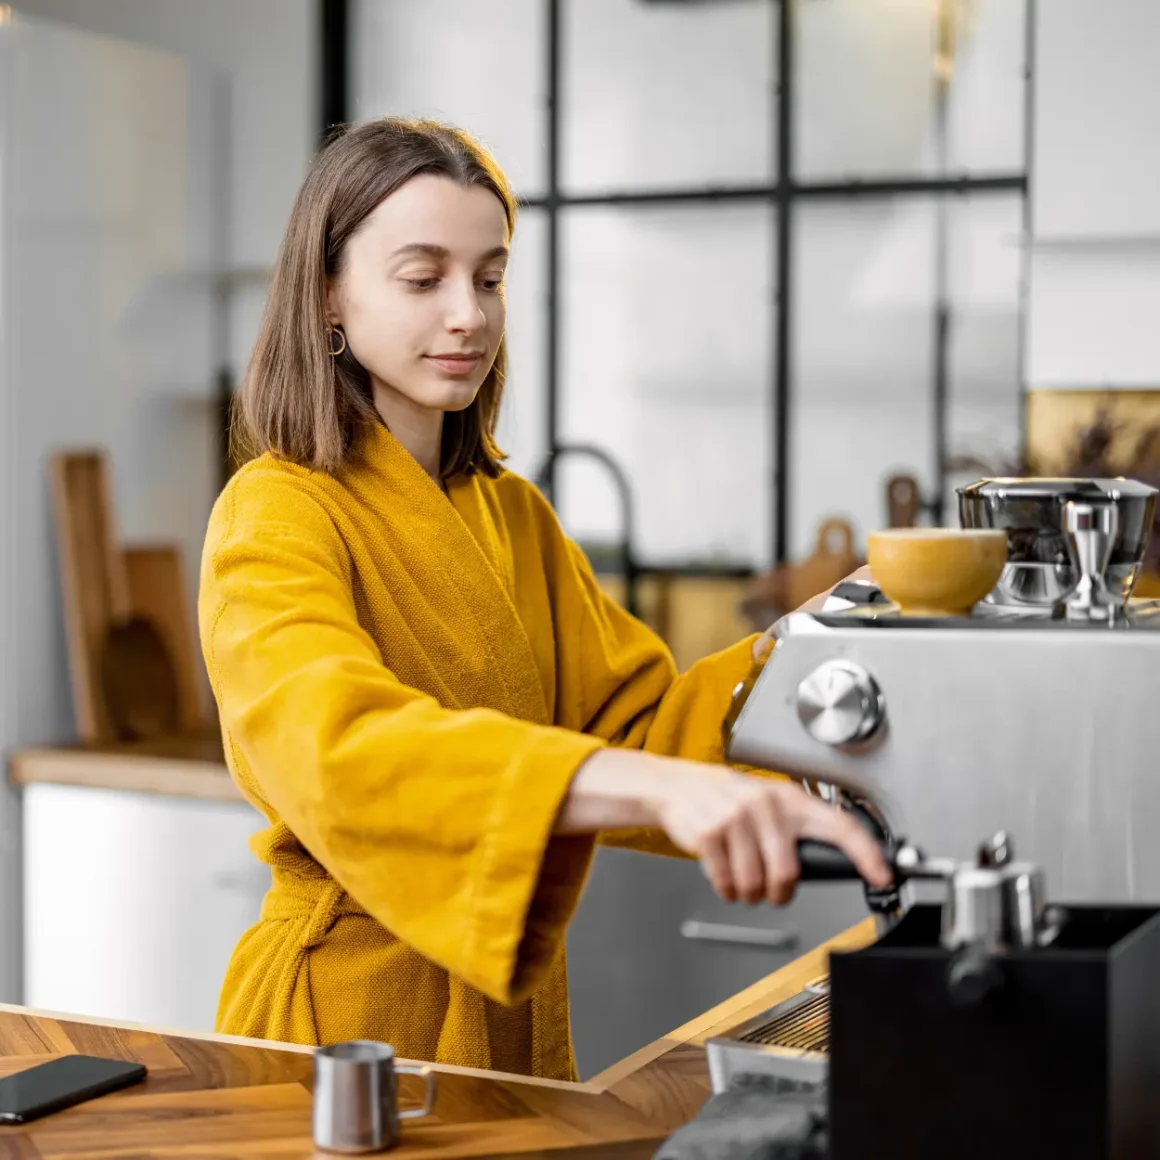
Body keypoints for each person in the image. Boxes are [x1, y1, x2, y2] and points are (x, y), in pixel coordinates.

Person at [199, 117, 889, 1081]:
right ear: (329, 296)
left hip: (506, 1031)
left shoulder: (511, 514)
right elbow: (337, 748)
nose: (469, 315)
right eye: (422, 277)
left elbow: (643, 724)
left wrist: (837, 634)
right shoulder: (273, 513)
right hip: (339, 1039)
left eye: (489, 277)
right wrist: (653, 789)